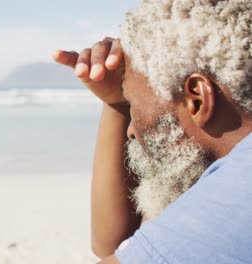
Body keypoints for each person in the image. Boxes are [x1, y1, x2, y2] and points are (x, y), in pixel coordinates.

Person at [54, 0, 251, 263]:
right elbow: (117, 245)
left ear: (197, 99)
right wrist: (117, 105)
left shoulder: (239, 192)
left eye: (133, 103)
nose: (131, 132)